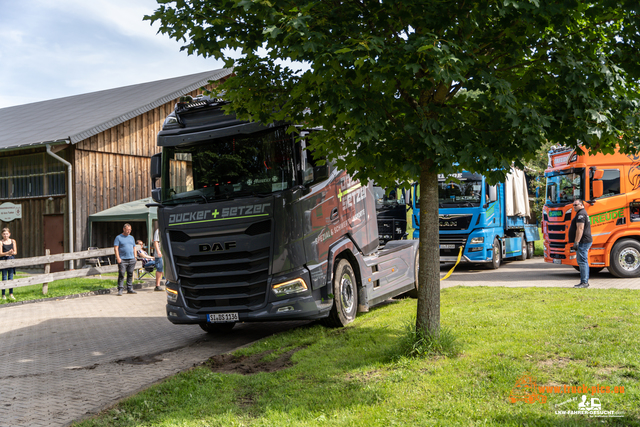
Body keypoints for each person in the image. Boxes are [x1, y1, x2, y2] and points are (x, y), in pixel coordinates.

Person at [568, 199, 593, 288]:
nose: (574, 206)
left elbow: (580, 229)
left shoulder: (581, 214)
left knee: (582, 262)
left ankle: (584, 282)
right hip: (583, 241)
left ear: (582, 205)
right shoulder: (581, 213)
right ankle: (583, 282)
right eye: (573, 205)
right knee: (582, 261)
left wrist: (576, 242)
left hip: (583, 241)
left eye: (576, 205)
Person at [114, 223, 137, 296]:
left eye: (130, 230)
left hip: (131, 258)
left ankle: (129, 288)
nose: (129, 231)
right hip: (123, 259)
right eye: (127, 230)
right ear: (124, 229)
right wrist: (118, 258)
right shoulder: (118, 237)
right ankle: (120, 288)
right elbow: (116, 248)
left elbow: (134, 247)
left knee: (130, 273)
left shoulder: (131, 238)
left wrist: (135, 257)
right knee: (122, 274)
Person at [0, 228, 17, 300]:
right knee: (4, 277)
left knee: (11, 277)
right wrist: (7, 253)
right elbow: (0, 254)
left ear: (9, 234)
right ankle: (3, 295)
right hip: (4, 261)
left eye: (7, 234)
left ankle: (11, 294)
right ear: (2, 235)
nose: (5, 235)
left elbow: (16, 252)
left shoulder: (13, 241)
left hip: (11, 261)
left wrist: (12, 252)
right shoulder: (1, 242)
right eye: (4, 234)